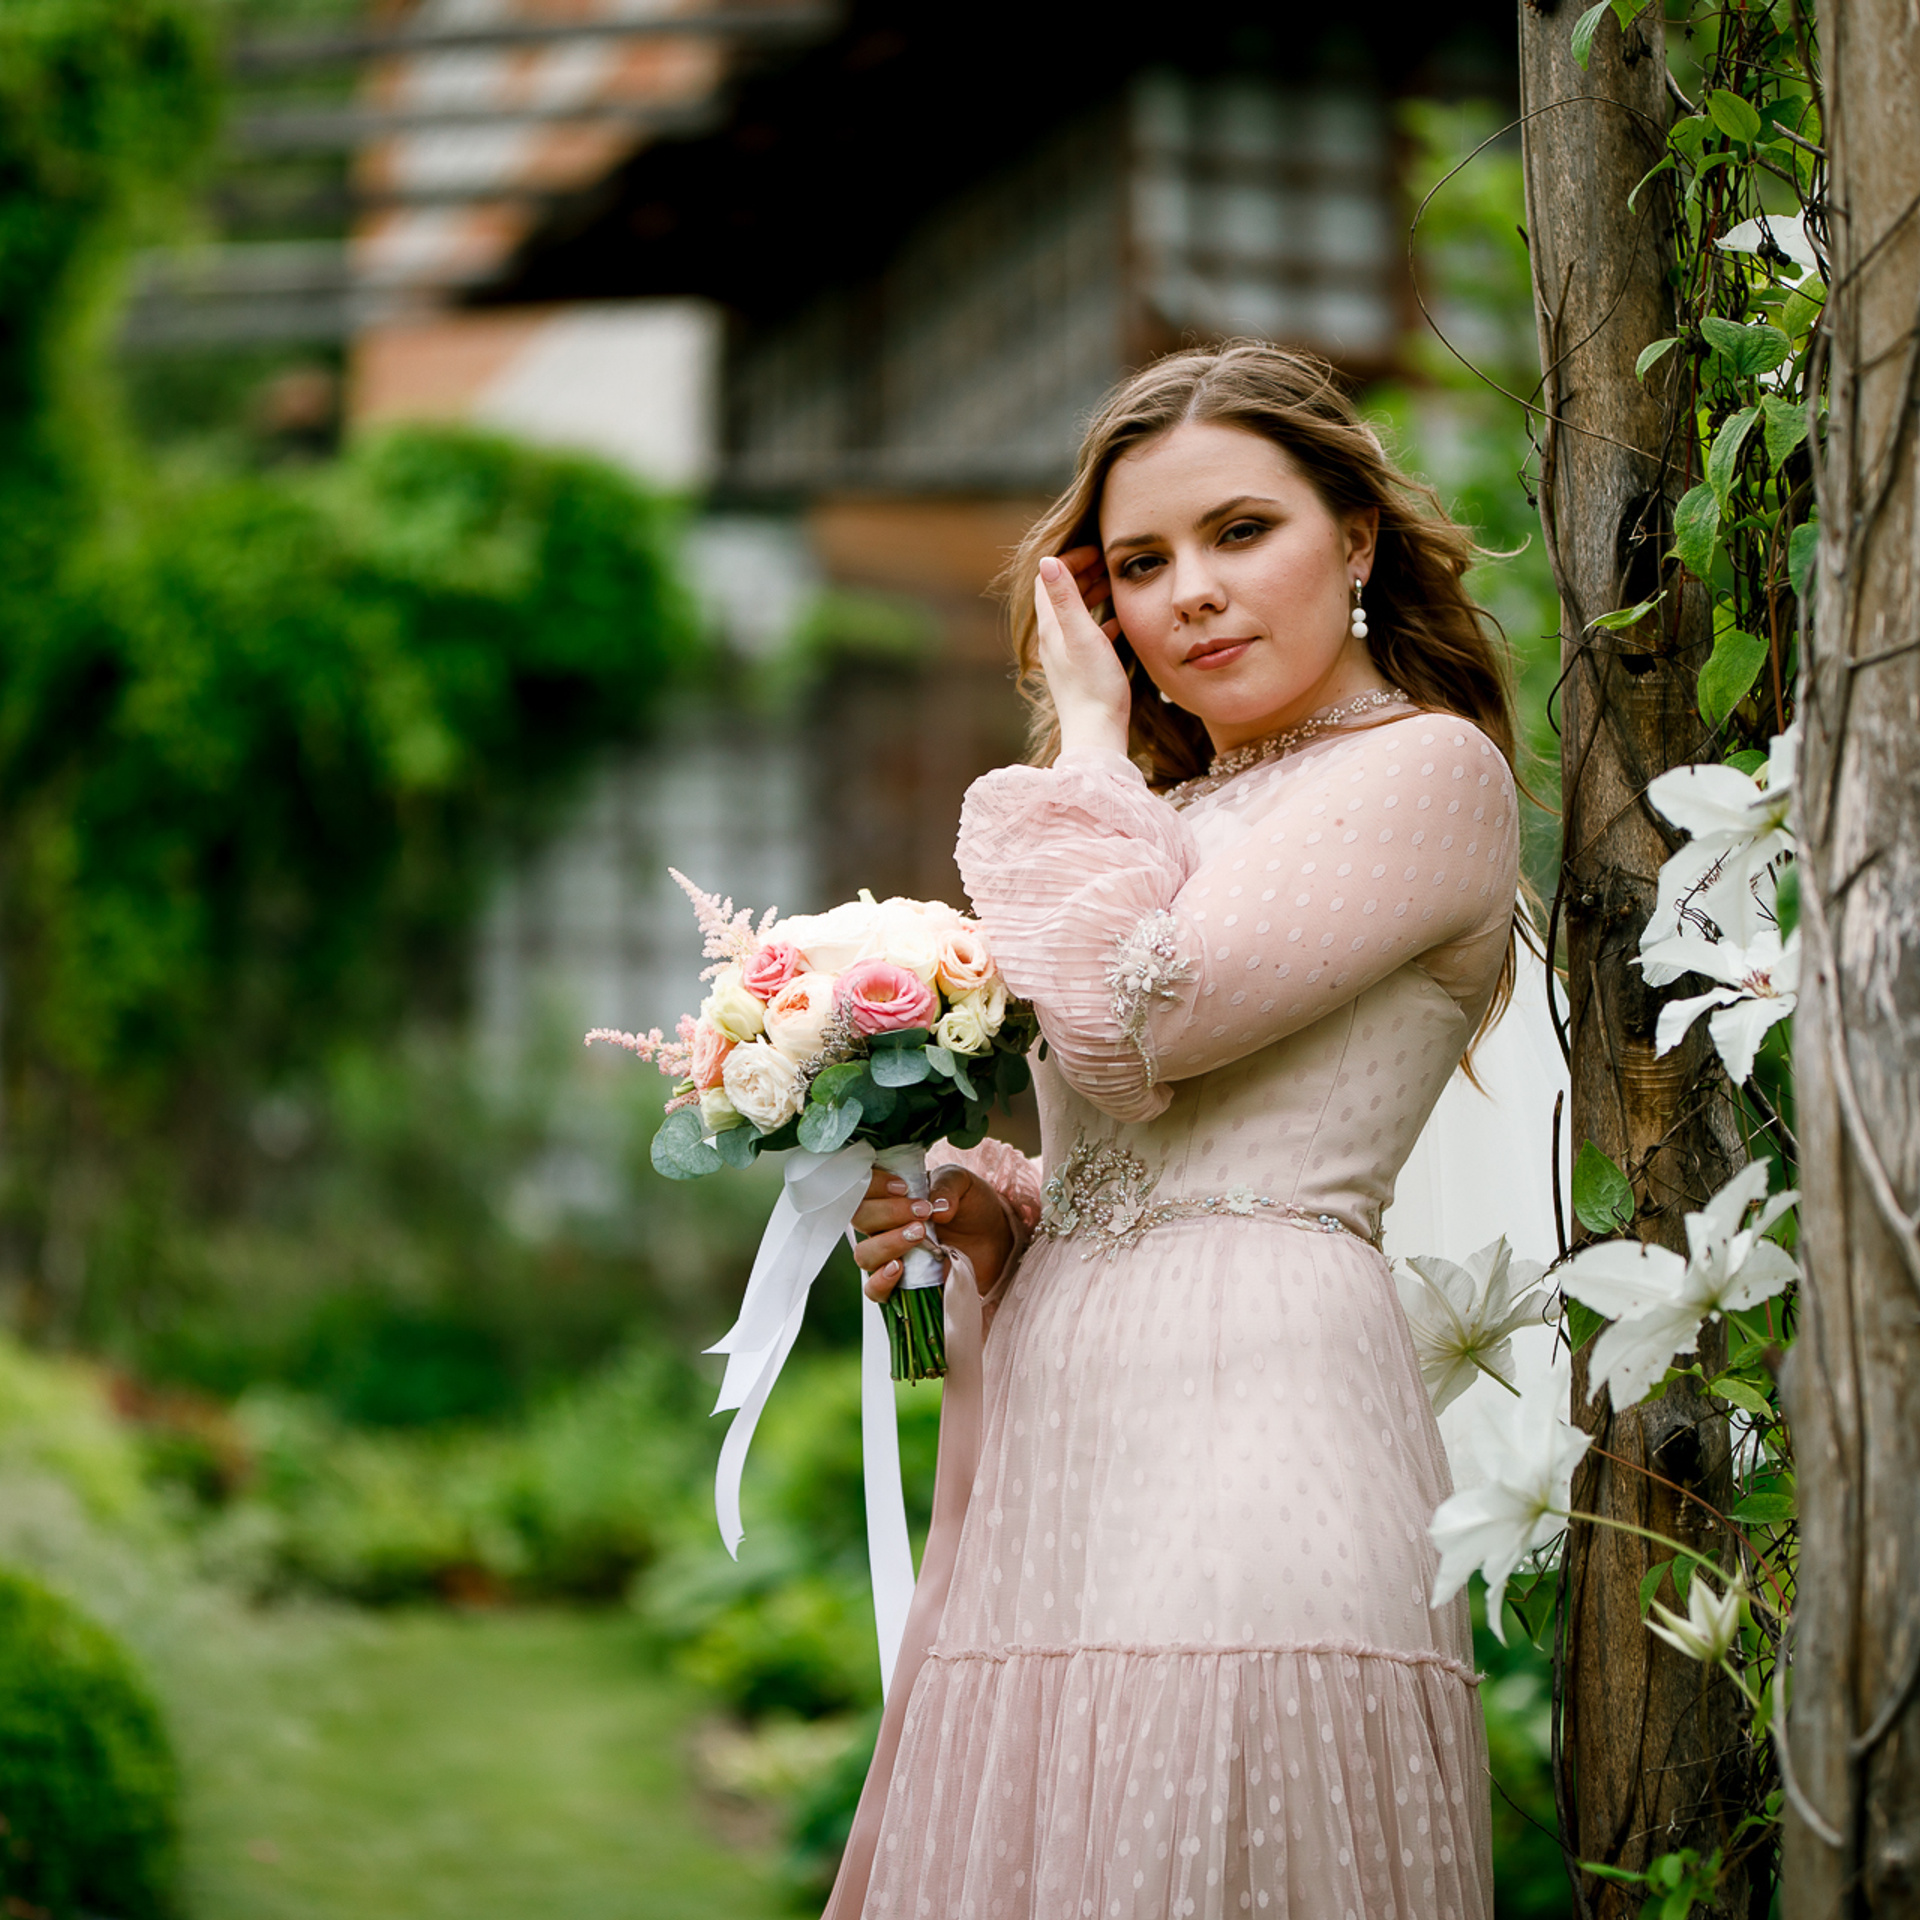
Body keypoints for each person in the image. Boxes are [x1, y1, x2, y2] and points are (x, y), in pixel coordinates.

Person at [825, 342, 1522, 1920]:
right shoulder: (1162, 821)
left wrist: (1080, 739)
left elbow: (1146, 1026)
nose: (1190, 593)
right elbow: (1114, 1147)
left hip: (1256, 1434)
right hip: (1059, 1465)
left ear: (1355, 540)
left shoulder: (1426, 773)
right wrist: (986, 1223)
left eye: (1240, 532)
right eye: (1141, 563)